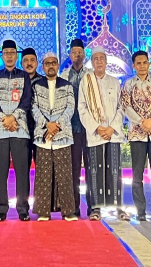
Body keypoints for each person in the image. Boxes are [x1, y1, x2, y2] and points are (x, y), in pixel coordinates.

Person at [79, 46, 125, 220]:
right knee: (95, 171)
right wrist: (97, 127)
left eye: (102, 58)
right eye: (95, 59)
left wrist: (112, 128)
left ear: (106, 61)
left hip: (113, 133)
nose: (99, 61)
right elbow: (82, 108)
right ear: (92, 62)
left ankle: (118, 207)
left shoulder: (114, 82)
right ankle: (96, 208)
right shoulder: (86, 82)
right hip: (95, 133)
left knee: (114, 170)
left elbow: (121, 107)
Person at [0, 38, 32, 222]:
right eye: (6, 53)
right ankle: (1, 209)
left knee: (22, 172)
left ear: (16, 55)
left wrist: (13, 118)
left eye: (12, 53)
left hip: (20, 130)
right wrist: (4, 119)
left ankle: (23, 209)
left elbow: (26, 100)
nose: (9, 56)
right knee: (1, 172)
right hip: (0, 132)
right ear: (2, 56)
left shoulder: (24, 76)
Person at [31, 53, 77, 221]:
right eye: (47, 63)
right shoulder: (36, 86)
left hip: (62, 135)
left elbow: (70, 108)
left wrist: (57, 125)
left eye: (53, 63)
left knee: (64, 175)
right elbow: (34, 108)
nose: (50, 66)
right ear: (43, 67)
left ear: (58, 66)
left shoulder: (67, 85)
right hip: (43, 136)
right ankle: (43, 212)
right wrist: (47, 124)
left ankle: (68, 211)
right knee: (43, 175)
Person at [122, 50, 151, 221]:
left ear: (149, 64)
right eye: (138, 63)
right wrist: (142, 122)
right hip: (137, 134)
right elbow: (126, 107)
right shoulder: (128, 84)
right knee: (137, 174)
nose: (142, 66)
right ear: (133, 65)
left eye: (144, 62)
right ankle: (140, 210)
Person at [63, 39, 91, 216]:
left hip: (89, 129)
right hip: (71, 128)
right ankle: (73, 206)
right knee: (73, 169)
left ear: (84, 54)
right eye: (74, 52)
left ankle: (92, 206)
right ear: (70, 55)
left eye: (80, 52)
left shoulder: (91, 75)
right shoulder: (64, 75)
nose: (77, 55)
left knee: (91, 168)